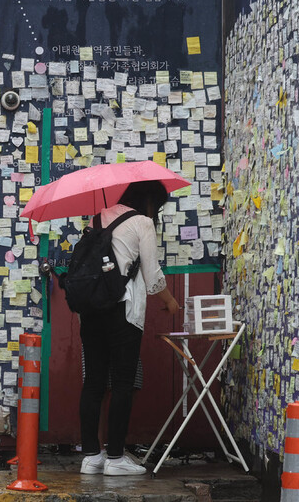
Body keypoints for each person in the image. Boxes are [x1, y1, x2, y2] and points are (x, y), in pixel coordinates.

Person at [77, 180, 180, 477]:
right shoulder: (142, 222)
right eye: (157, 206)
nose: (156, 212)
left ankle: (91, 457)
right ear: (149, 201)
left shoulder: (98, 217)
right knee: (122, 382)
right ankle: (115, 457)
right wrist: (171, 302)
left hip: (92, 310)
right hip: (123, 311)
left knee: (94, 382)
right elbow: (153, 275)